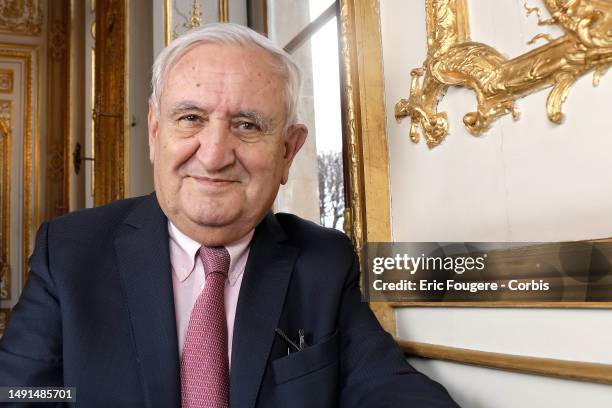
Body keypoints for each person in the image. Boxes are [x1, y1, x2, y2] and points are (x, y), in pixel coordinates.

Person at [0, 23, 459, 407]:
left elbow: (387, 389)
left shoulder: (324, 260)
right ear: (155, 133)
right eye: (191, 118)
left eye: (247, 125)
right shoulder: (71, 251)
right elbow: (21, 394)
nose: (216, 154)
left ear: (287, 152)